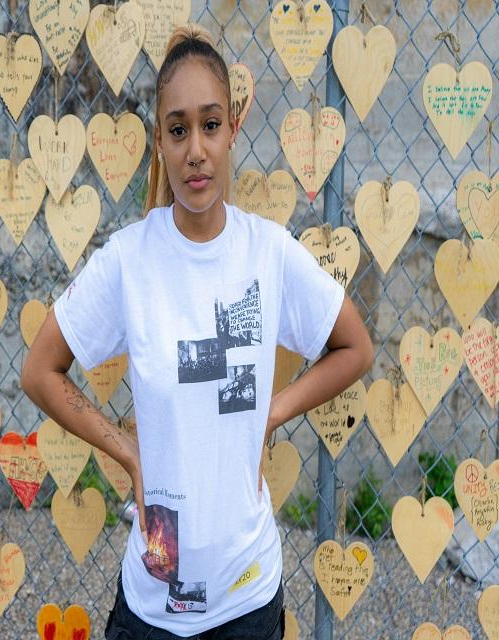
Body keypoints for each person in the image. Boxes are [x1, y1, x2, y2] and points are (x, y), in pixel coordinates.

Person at [21, 23, 374, 640]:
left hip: (247, 597)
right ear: (159, 142)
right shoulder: (129, 260)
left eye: (210, 125)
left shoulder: (268, 253)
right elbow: (38, 371)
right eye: (178, 130)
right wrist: (127, 450)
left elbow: (356, 348)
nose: (196, 150)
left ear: (232, 129)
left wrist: (272, 411)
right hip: (154, 603)